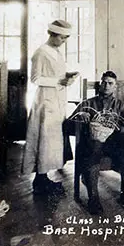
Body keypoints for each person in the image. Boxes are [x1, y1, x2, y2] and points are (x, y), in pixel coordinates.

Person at [67, 71, 124, 214]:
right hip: (92, 144)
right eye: (104, 82)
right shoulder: (88, 104)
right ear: (100, 84)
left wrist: (122, 126)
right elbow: (67, 124)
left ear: (115, 87)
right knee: (95, 144)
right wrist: (81, 116)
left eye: (110, 83)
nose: (106, 85)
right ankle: (93, 198)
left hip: (112, 144)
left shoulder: (119, 105)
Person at [22, 20, 76, 195]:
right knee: (44, 139)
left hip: (56, 99)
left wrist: (66, 77)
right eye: (62, 37)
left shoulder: (56, 52)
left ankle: (43, 177)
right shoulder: (41, 52)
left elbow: (55, 74)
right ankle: (40, 179)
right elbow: (36, 79)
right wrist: (58, 81)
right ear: (52, 34)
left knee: (51, 140)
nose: (64, 41)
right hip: (45, 101)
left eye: (66, 38)